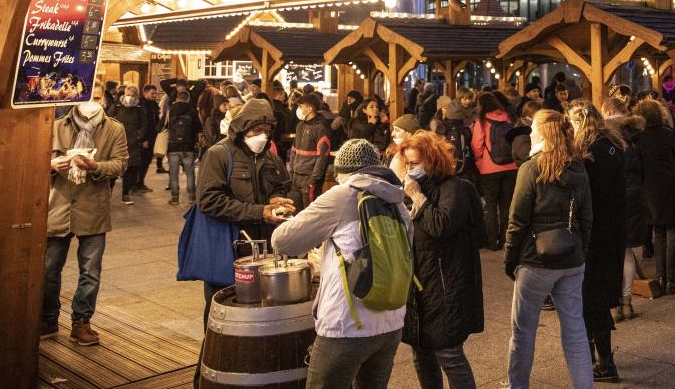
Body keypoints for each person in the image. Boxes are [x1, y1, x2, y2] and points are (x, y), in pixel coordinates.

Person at [272, 139, 412, 389]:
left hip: (347, 324)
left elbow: (283, 241)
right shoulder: (397, 200)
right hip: (391, 322)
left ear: (344, 173)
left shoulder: (343, 194)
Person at [504, 109, 594, 389]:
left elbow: (517, 221)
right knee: (575, 330)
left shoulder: (530, 169)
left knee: (523, 332)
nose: (530, 133)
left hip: (535, 260)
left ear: (543, 133)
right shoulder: (578, 168)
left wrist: (510, 259)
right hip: (572, 258)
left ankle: (518, 386)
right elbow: (586, 217)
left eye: (533, 129)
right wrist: (581, 250)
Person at [394, 131, 484, 389]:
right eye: (407, 164)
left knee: (449, 354)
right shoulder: (407, 189)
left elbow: (440, 226)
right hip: (417, 286)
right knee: (421, 354)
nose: (410, 169)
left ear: (431, 160)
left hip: (445, 286)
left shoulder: (452, 187)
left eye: (415, 163)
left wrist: (417, 196)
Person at [196, 98, 294, 319]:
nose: (262, 136)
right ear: (243, 128)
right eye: (257, 130)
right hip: (228, 247)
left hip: (264, 251)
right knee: (222, 308)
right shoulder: (219, 154)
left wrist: (277, 200)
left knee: (260, 311)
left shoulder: (271, 158)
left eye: (267, 131)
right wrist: (259, 211)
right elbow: (208, 200)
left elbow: (281, 186)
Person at [44, 99, 128, 345]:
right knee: (49, 270)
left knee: (90, 271)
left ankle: (81, 322)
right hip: (58, 206)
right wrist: (50, 165)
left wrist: (95, 166)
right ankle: (47, 318)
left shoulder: (114, 128)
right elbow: (36, 157)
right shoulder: (57, 125)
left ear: (102, 100)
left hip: (93, 208)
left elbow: (120, 164)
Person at [567, 100, 628, 382]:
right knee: (599, 298)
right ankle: (600, 359)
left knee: (588, 299)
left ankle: (601, 361)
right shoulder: (613, 146)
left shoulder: (587, 156)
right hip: (613, 230)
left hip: (592, 234)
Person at [634, 98, 675, 294]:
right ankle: (672, 279)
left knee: (658, 232)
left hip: (651, 190)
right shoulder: (667, 134)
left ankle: (660, 277)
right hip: (673, 186)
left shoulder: (638, 138)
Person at [472, 93, 519, 250]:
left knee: (491, 205)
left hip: (489, 168)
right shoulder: (509, 117)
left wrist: (480, 163)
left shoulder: (482, 120)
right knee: (506, 205)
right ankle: (506, 240)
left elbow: (477, 146)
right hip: (511, 167)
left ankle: (492, 242)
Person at [614, 106, 647, 321]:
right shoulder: (640, 145)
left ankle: (615, 305)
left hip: (616, 198)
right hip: (636, 198)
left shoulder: (613, 147)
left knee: (616, 253)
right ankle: (626, 303)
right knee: (629, 251)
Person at [290, 96, 333, 212]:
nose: (298, 109)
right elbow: (294, 150)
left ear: (309, 109)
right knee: (294, 210)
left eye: (300, 106)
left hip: (309, 178)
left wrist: (314, 179)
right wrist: (291, 170)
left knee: (309, 212)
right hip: (296, 176)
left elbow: (322, 157)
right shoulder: (300, 125)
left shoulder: (321, 128)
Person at [111, 84, 151, 204]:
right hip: (116, 142)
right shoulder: (117, 106)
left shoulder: (139, 108)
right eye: (128, 95)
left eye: (132, 95)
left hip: (133, 143)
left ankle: (125, 194)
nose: (130, 97)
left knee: (131, 170)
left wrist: (139, 137)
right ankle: (109, 193)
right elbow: (108, 119)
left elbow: (144, 124)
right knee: (113, 168)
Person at [165, 90, 200, 205]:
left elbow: (162, 126)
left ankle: (175, 198)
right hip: (188, 147)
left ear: (177, 98)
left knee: (174, 173)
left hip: (173, 146)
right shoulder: (192, 110)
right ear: (188, 99)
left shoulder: (170, 110)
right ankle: (191, 197)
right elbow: (199, 127)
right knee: (190, 172)